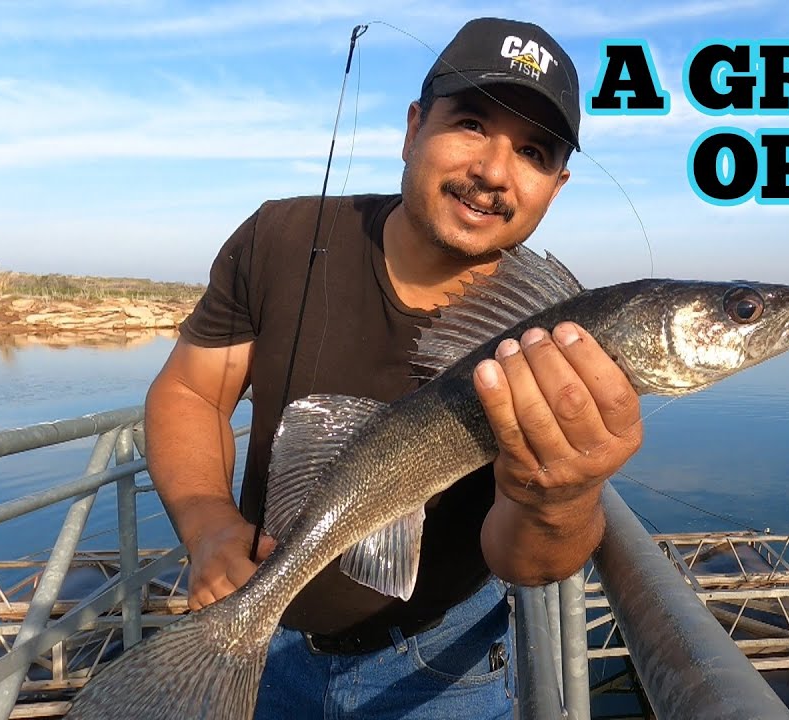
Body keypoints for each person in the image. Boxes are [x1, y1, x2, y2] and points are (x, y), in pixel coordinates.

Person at [144, 17, 641, 719]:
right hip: (266, 639)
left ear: (554, 186)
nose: (494, 172)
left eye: (532, 151)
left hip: (445, 671)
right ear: (413, 129)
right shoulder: (279, 237)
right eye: (470, 123)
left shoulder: (560, 347)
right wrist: (206, 521)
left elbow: (526, 564)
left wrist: (559, 495)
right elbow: (192, 390)